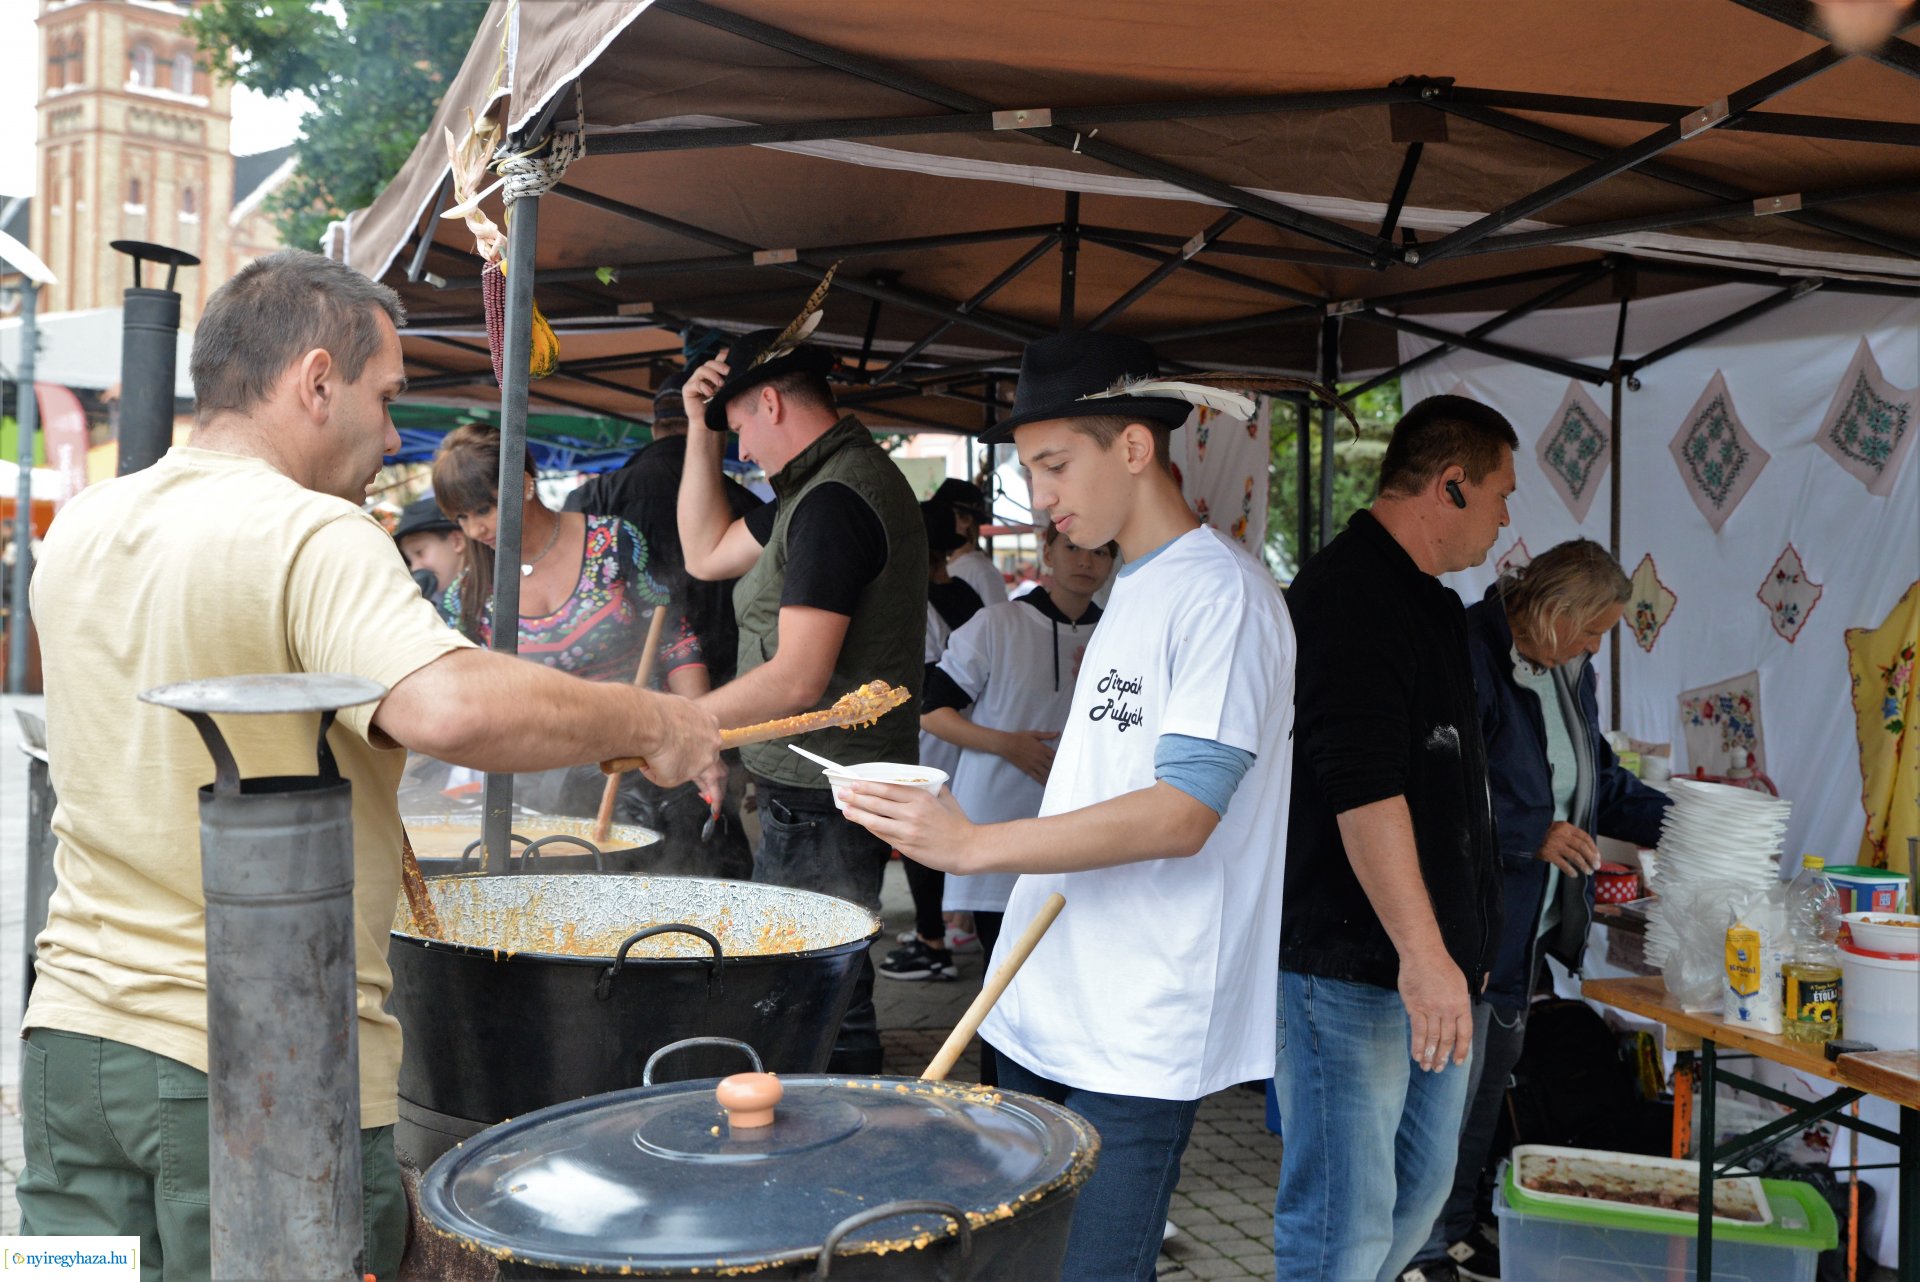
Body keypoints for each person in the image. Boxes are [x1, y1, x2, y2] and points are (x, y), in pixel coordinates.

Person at [16, 249, 720, 1281]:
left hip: (68, 1051)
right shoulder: (313, 530)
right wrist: (651, 718)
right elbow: (447, 703)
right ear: (314, 380)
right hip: (257, 1071)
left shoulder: (83, 525)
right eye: (385, 398)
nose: (394, 436)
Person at [841, 332, 1296, 1282]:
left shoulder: (1223, 595)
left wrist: (971, 844)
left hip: (1134, 1023)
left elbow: (1184, 810)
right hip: (1045, 996)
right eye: (1031, 470)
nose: (1040, 496)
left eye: (1054, 465)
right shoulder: (1133, 583)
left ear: (1134, 447)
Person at [1274, 394, 1517, 1282]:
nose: (1504, 516)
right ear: (1451, 486)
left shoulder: (1433, 604)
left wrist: (1454, 954)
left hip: (1433, 971)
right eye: (1499, 494)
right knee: (1342, 1224)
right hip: (1354, 970)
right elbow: (1361, 786)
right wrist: (1424, 953)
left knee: (1416, 1201)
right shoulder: (1349, 593)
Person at [1409, 539, 1672, 1282]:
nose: (1596, 648)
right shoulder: (1465, 651)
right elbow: (1434, 786)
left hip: (1527, 928)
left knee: (1486, 1093)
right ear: (1555, 610)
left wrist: (1687, 821)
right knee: (1444, 1104)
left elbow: (1600, 779)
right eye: (1591, 631)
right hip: (1466, 922)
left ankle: (1455, 1229)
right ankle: (1419, 1250)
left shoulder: (1567, 669)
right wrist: (1530, 834)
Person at [677, 322, 927, 1074]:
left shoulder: (833, 501)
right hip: (819, 789)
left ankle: (843, 1156)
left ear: (773, 402)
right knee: (826, 987)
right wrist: (700, 429)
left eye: (739, 426)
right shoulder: (815, 488)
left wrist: (685, 723)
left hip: (822, 794)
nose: (742, 450)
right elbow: (704, 551)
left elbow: (797, 678)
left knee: (820, 999)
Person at [432, 423, 731, 861]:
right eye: (460, 517)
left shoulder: (613, 544)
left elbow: (676, 643)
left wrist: (702, 739)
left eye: (483, 509)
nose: (475, 529)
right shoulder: (470, 594)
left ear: (524, 485)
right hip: (542, 785)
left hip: (648, 759)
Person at [897, 521, 1114, 1079]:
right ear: (1047, 550)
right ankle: (1000, 1107)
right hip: (996, 822)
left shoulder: (1120, 631)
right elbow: (931, 711)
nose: (1086, 561)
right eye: (1073, 546)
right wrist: (1008, 745)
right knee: (1002, 988)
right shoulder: (997, 624)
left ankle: (1048, 1111)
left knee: (1065, 983)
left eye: (1101, 550)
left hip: (1083, 830)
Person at [884, 498, 988, 982]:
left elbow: (921, 677)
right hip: (968, 729)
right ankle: (941, 931)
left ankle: (932, 942)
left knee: (917, 834)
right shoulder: (968, 594)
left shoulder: (915, 597)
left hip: (928, 730)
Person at [930, 477, 1010, 607]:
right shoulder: (949, 564)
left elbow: (1000, 623)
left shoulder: (982, 571)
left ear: (965, 520)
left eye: (943, 514)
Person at [393, 493, 467, 622]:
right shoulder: (433, 605)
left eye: (419, 552)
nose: (415, 568)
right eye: (409, 561)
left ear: (457, 541)